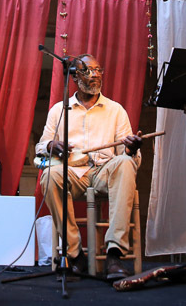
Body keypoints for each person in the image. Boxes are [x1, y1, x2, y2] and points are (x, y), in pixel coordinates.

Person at [36, 53, 143, 280]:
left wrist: (131, 150)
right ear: (74, 76)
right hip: (72, 172)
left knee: (125, 163)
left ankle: (114, 254)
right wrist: (51, 145)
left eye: (98, 70)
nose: (95, 75)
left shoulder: (116, 110)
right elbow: (41, 146)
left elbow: (128, 157)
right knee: (49, 175)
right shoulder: (59, 110)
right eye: (87, 71)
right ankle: (76, 255)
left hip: (104, 171)